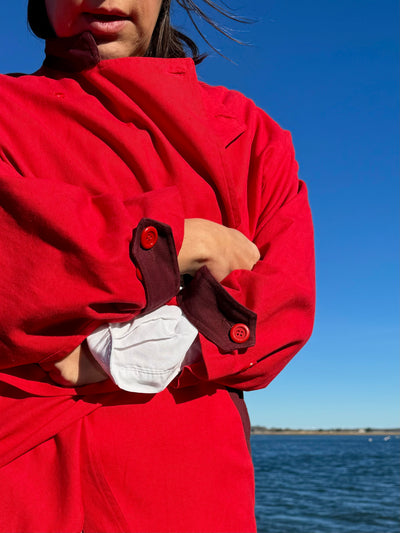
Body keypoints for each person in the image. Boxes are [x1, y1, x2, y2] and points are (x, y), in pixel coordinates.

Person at [0, 0, 315, 531]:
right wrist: (179, 240)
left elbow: (279, 314)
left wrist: (109, 355)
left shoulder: (246, 134)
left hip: (188, 494)